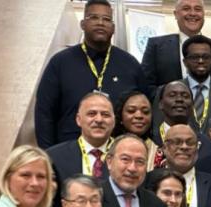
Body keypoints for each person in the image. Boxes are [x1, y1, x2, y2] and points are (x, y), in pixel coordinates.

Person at [35, 0, 147, 148]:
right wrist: (49, 154)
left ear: (113, 28)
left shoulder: (130, 64)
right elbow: (44, 113)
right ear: (82, 24)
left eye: (106, 19)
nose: (100, 23)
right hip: (68, 151)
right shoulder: (61, 62)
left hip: (118, 154)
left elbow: (144, 110)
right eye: (93, 17)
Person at [46, 92, 116, 207]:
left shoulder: (126, 157)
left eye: (105, 114)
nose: (99, 119)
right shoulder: (55, 157)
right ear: (78, 120)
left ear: (114, 120)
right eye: (91, 114)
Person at [140, 0, 211, 92]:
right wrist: (166, 99)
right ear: (175, 14)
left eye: (198, 9)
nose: (192, 13)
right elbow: (146, 85)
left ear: (203, 14)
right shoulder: (156, 46)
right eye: (186, 9)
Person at [113, 90, 160, 174]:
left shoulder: (159, 153)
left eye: (145, 112)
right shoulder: (107, 148)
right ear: (120, 116)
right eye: (131, 111)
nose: (139, 116)